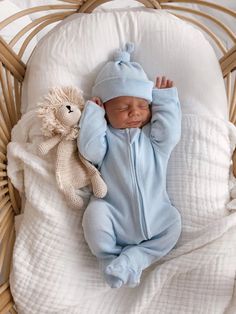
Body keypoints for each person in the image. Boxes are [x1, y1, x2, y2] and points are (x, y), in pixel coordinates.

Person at [78, 42, 182, 289]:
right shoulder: (106, 141)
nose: (135, 112)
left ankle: (135, 258)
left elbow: (170, 132)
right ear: (106, 111)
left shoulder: (153, 141)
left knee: (174, 224)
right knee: (93, 216)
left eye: (143, 106)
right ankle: (109, 259)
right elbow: (89, 150)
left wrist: (165, 101)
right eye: (123, 107)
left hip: (158, 215)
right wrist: (92, 116)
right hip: (113, 213)